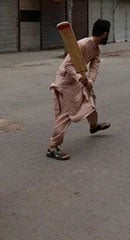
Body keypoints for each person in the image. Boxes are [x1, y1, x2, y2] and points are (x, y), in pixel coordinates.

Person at [46, 19, 111, 160]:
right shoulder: (81, 45)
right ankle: (52, 147)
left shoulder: (96, 49)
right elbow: (68, 66)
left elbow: (94, 67)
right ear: (105, 34)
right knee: (65, 116)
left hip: (78, 81)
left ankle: (93, 126)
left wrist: (90, 81)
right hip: (65, 82)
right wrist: (78, 77)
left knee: (91, 101)